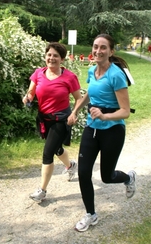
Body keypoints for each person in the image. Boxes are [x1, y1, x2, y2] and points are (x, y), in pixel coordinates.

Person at [67, 34, 136, 232]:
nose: (98, 51)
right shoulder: (91, 70)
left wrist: (105, 117)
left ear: (111, 51)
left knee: (107, 176)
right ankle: (91, 214)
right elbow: (89, 94)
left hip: (113, 130)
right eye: (96, 47)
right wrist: (75, 110)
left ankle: (128, 178)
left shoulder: (116, 75)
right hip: (92, 128)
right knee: (83, 172)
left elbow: (125, 111)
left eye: (103, 47)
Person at [23, 42, 82, 202]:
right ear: (45, 56)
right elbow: (31, 92)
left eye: (56, 55)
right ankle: (71, 166)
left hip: (61, 119)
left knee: (48, 152)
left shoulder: (69, 77)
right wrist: (27, 97)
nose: (51, 58)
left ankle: (42, 191)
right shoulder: (38, 73)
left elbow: (79, 98)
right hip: (44, 119)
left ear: (62, 59)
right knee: (56, 149)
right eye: (49, 55)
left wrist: (74, 113)